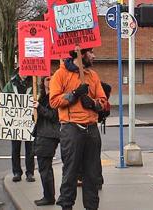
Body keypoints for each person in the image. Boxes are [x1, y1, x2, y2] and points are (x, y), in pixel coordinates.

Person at [49, 48, 107, 210]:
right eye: (91, 53)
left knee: (92, 174)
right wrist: (74, 94)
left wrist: (95, 104)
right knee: (70, 172)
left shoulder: (93, 75)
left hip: (92, 129)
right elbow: (53, 101)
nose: (94, 56)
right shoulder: (60, 75)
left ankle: (92, 207)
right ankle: (66, 206)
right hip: (71, 128)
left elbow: (103, 100)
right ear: (81, 54)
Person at [2, 69, 35, 182]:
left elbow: (37, 99)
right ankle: (17, 172)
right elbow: (4, 100)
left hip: (29, 121)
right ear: (19, 71)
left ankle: (30, 173)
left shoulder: (33, 83)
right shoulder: (11, 84)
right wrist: (3, 118)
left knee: (30, 149)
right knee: (15, 149)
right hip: (15, 122)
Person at [32, 76, 60, 206]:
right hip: (43, 133)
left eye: (51, 79)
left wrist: (39, 107)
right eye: (47, 79)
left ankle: (49, 197)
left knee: (45, 167)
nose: (49, 81)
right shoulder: (43, 97)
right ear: (43, 83)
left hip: (49, 135)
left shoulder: (55, 97)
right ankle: (48, 195)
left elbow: (53, 116)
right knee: (44, 167)